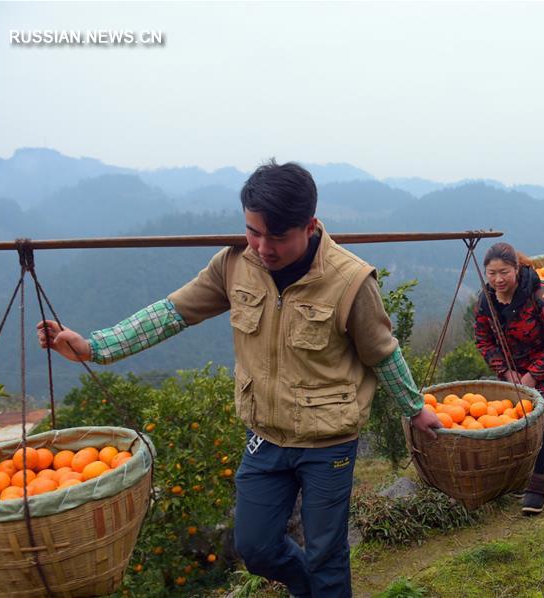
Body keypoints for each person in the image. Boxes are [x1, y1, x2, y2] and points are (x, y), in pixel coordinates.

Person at [37, 159, 441, 598]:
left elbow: (382, 352)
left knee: (326, 551)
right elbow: (172, 312)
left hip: (328, 440)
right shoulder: (234, 264)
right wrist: (96, 347)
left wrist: (415, 410)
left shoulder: (350, 281)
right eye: (253, 231)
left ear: (309, 226)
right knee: (257, 547)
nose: (263, 247)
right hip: (265, 435)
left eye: (277, 236)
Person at [473, 242, 544, 516]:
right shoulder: (486, 300)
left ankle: (538, 485)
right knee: (515, 421)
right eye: (492, 273)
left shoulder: (541, 297)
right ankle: (520, 476)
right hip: (513, 373)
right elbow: (483, 339)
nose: (498, 279)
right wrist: (505, 371)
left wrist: (532, 375)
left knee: (536, 424)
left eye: (504, 272)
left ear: (517, 269)